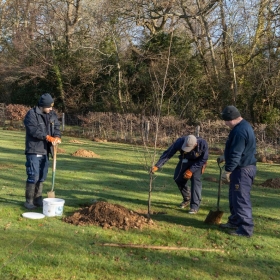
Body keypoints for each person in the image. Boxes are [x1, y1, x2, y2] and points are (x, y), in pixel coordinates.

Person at [218, 105, 257, 237]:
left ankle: (245, 230)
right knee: (234, 197)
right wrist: (225, 156)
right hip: (242, 167)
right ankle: (234, 221)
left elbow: (236, 153)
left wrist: (228, 171)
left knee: (241, 199)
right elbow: (240, 149)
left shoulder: (239, 131)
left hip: (242, 170)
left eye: (225, 120)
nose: (225, 123)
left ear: (230, 119)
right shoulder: (244, 126)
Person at [151, 135, 208, 214]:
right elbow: (168, 153)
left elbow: (203, 159)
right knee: (177, 178)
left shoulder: (203, 144)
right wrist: (158, 165)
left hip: (197, 163)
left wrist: (191, 170)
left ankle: (194, 206)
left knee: (195, 181)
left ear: (195, 144)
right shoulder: (180, 142)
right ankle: (187, 198)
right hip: (184, 160)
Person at [23, 93, 61, 209]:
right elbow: (33, 130)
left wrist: (57, 137)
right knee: (33, 175)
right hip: (34, 149)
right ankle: (29, 201)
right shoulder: (32, 114)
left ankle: (38, 199)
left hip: (46, 150)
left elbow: (56, 127)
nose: (51, 109)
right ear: (43, 105)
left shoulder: (52, 115)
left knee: (42, 176)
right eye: (49, 106)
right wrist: (47, 137)